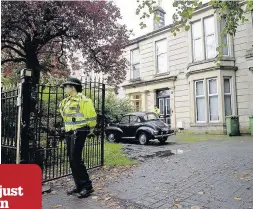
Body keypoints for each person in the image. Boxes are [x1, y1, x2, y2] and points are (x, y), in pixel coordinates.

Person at [59, 77, 97, 198]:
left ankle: (87, 186)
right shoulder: (66, 101)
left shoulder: (84, 100)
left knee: (76, 159)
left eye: (66, 86)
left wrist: (89, 129)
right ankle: (79, 185)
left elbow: (91, 117)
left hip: (80, 131)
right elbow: (64, 115)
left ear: (73, 87)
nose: (64, 88)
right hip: (69, 131)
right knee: (72, 160)